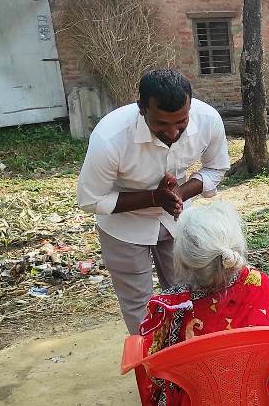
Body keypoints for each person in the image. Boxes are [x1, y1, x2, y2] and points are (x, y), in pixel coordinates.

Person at [77, 69, 230, 334]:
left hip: (178, 218)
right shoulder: (110, 138)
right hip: (123, 226)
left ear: (190, 107)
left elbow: (216, 168)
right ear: (141, 108)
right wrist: (152, 198)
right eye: (161, 124)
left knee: (189, 293)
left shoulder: (208, 120)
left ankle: (191, 360)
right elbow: (91, 200)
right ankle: (151, 367)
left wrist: (180, 194)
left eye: (180, 122)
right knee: (140, 307)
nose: (172, 132)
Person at [138, 202, 269, 406]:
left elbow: (154, 370)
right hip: (263, 396)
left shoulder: (171, 307)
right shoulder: (259, 283)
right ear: (235, 250)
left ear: (185, 261)